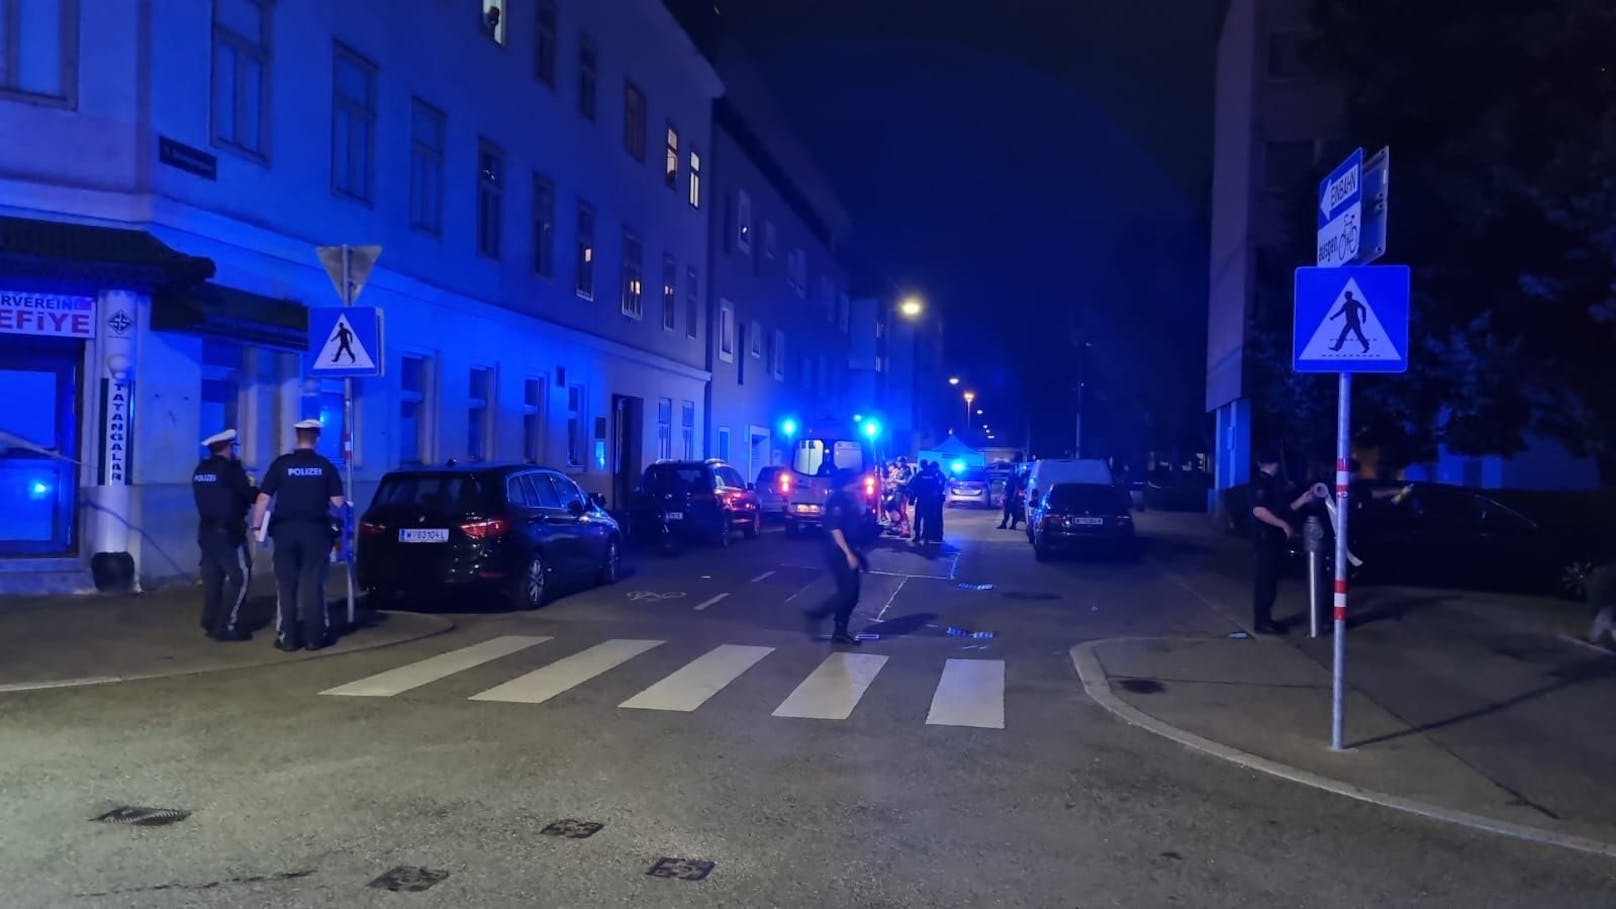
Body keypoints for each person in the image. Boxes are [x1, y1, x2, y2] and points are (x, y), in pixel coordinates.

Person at [252, 419, 346, 652]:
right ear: (316, 437)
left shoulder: (282, 465)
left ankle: (288, 638)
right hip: (316, 532)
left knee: (286, 584)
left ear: (297, 436)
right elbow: (338, 502)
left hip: (285, 532)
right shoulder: (325, 466)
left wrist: (256, 527)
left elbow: (264, 498)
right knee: (313, 584)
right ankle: (314, 638)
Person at [191, 428, 256, 641]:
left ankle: (209, 620)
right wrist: (253, 487)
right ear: (227, 447)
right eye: (233, 446)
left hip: (206, 533)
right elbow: (248, 495)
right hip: (229, 534)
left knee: (213, 578)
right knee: (239, 576)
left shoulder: (200, 470)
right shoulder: (231, 470)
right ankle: (225, 624)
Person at [1249, 450, 1322, 635]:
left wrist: (1305, 498)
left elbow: (1285, 509)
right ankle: (1262, 622)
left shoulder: (1273, 484)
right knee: (1265, 582)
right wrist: (1282, 524)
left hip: (1273, 540)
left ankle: (1266, 620)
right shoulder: (1262, 483)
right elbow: (1259, 510)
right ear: (1274, 463)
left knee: (1271, 582)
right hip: (1266, 540)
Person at [803, 468, 869, 645]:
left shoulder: (849, 498)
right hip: (837, 550)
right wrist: (848, 554)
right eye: (855, 481)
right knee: (848, 592)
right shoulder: (838, 500)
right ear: (847, 482)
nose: (858, 484)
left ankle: (840, 631)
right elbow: (835, 528)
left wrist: (859, 555)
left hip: (849, 549)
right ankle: (818, 614)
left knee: (851, 593)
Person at [997, 453, 1025, 530]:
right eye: (1010, 470)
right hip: (1008, 496)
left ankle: (1013, 525)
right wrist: (1003, 495)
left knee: (1014, 512)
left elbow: (1016, 488)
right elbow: (1006, 487)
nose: (1010, 471)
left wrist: (1013, 497)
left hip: (1013, 498)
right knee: (1006, 512)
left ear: (1013, 470)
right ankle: (1004, 524)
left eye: (1011, 470)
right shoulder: (1009, 477)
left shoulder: (1015, 478)